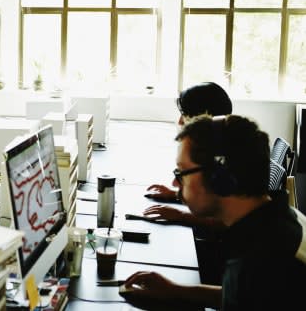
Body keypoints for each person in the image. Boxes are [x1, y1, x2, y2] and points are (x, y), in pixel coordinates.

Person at [121, 115, 306, 310]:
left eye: (182, 172)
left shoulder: (265, 262)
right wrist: (176, 290)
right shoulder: (275, 221)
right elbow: (243, 297)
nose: (176, 184)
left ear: (219, 179)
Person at [145, 81, 232, 204]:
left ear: (202, 116)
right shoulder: (219, 142)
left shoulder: (225, 156)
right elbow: (211, 198)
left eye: (185, 115)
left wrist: (181, 216)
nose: (180, 121)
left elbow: (225, 214)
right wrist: (176, 195)